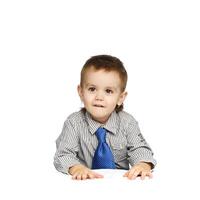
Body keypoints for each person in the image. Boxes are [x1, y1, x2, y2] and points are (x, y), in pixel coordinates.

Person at [54, 55, 156, 180]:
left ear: (120, 98)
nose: (99, 97)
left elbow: (139, 148)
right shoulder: (73, 123)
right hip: (85, 184)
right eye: (92, 89)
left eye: (108, 91)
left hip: (121, 184)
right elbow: (63, 154)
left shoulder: (127, 123)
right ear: (81, 92)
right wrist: (76, 168)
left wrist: (143, 164)